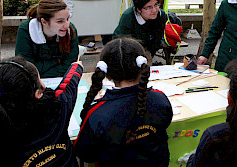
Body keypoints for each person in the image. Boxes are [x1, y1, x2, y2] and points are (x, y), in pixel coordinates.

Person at [74, 38, 173, 166]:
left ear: (107, 74)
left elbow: (85, 154)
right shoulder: (160, 99)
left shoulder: (98, 113)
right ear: (144, 65)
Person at [0, 56, 83, 166]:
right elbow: (68, 84)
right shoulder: (57, 106)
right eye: (40, 80)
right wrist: (77, 66)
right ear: (39, 93)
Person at [15, 0, 79, 78]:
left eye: (67, 18)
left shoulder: (71, 30)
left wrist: (40, 69)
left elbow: (70, 67)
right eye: (60, 21)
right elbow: (24, 67)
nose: (66, 25)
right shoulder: (26, 30)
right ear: (44, 21)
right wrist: (57, 61)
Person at [113, 0, 182, 58]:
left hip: (149, 48)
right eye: (149, 7)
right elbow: (120, 41)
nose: (154, 10)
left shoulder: (161, 15)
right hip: (130, 50)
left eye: (156, 5)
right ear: (139, 9)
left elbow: (158, 37)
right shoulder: (128, 17)